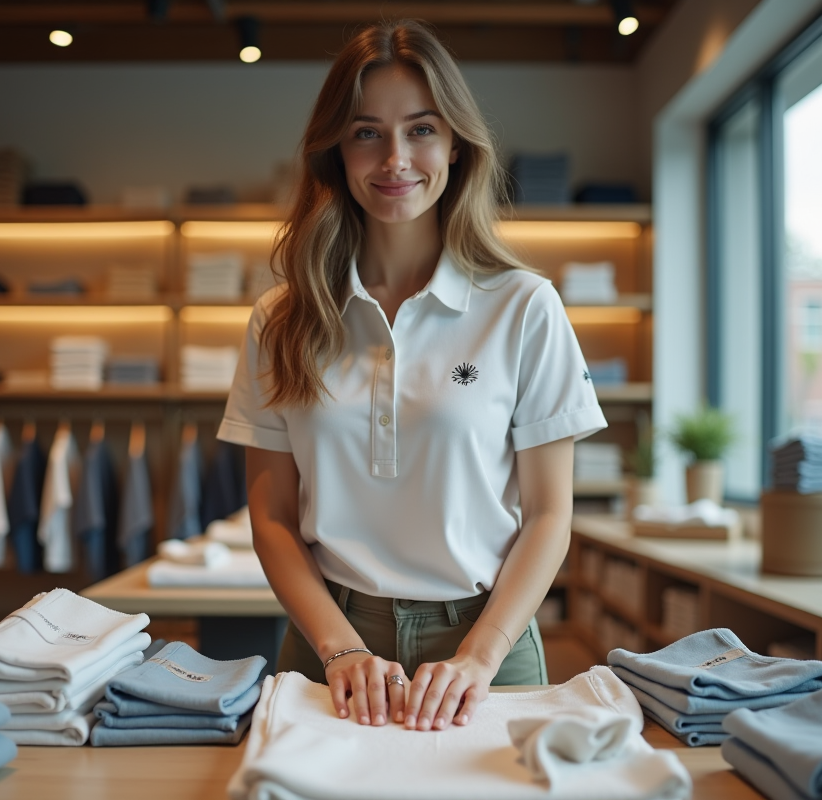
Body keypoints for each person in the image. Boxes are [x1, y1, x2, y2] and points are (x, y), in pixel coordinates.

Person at [217, 19, 605, 734]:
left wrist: (480, 655)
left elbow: (550, 515)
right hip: (329, 644)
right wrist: (340, 649)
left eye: (421, 129)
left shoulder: (524, 306)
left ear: (455, 143)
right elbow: (271, 517)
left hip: (488, 643)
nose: (395, 158)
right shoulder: (283, 317)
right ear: (335, 148)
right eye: (367, 132)